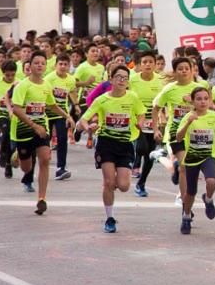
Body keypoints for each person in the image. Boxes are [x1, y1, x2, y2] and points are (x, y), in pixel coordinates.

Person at [78, 65, 145, 233]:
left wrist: (140, 122)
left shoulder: (133, 97)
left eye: (125, 78)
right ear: (111, 79)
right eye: (119, 77)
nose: (122, 80)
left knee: (123, 186)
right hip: (106, 143)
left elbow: (141, 113)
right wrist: (87, 128)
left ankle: (111, 186)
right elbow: (84, 119)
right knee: (108, 182)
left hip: (125, 144)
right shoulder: (102, 100)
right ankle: (109, 218)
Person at [12, 53, 75, 215]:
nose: (39, 66)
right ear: (30, 66)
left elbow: (52, 105)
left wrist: (67, 116)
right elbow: (17, 109)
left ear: (46, 66)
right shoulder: (22, 86)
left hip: (41, 127)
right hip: (24, 129)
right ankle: (19, 154)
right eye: (36, 63)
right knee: (27, 168)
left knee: (45, 159)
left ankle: (42, 198)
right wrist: (32, 125)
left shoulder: (47, 85)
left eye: (42, 63)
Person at [176, 87, 215, 234]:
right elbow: (178, 137)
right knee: (191, 192)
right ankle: (186, 216)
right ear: (193, 101)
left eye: (206, 99)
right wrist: (188, 123)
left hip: (208, 156)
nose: (203, 102)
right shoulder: (188, 116)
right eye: (199, 99)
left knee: (211, 181)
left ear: (210, 100)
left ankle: (208, 199)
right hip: (192, 158)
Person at [153, 57, 198, 201]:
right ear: (175, 72)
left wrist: (194, 101)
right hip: (174, 133)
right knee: (183, 165)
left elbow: (207, 107)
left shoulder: (198, 88)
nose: (184, 71)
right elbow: (155, 107)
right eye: (180, 69)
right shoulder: (169, 89)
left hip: (194, 133)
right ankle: (183, 198)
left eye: (187, 68)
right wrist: (156, 129)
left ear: (192, 71)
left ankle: (159, 156)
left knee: (185, 167)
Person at [128, 51, 165, 197]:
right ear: (139, 65)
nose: (148, 64)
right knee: (142, 148)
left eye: (151, 62)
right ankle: (131, 157)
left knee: (149, 154)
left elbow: (165, 100)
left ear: (156, 64)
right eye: (144, 62)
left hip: (153, 121)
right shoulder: (133, 80)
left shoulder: (161, 80)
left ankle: (141, 183)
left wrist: (163, 115)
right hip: (136, 120)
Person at [44, 55, 78, 180]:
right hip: (47, 112)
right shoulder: (49, 78)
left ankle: (61, 168)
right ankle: (43, 160)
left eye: (65, 64)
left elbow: (72, 92)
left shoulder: (70, 79)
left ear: (69, 66)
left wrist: (76, 105)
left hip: (61, 113)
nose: (63, 67)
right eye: (61, 64)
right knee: (44, 138)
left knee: (62, 138)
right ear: (56, 65)